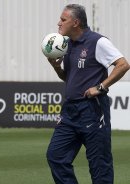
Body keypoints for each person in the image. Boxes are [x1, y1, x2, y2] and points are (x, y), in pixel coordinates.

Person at [46, 4, 130, 184]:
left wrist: (100, 87)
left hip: (92, 110)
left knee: (99, 166)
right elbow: (69, 78)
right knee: (55, 156)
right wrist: (56, 67)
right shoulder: (66, 45)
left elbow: (123, 65)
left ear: (76, 22)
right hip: (69, 112)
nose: (58, 23)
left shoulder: (98, 42)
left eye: (63, 19)